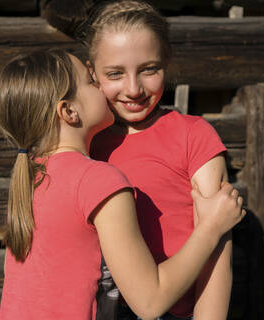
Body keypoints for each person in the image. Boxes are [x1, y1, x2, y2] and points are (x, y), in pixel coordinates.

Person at [0, 49, 245, 320]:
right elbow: (150, 302)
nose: (100, 86)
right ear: (68, 111)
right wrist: (211, 227)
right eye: (91, 81)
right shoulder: (97, 179)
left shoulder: (32, 178)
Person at [84, 1, 234, 319]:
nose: (134, 89)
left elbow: (217, 250)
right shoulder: (86, 142)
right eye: (115, 74)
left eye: (149, 69)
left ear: (166, 61)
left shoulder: (193, 136)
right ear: (92, 72)